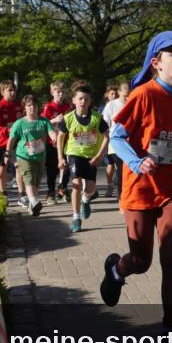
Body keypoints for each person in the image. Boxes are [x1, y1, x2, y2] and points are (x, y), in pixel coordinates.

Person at [99, 31, 172, 330]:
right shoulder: (144, 95)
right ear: (157, 62)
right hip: (140, 187)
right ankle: (116, 271)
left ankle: (171, 331)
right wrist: (137, 162)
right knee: (141, 262)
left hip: (171, 187)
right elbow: (117, 136)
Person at [58, 80, 109, 233]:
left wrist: (100, 154)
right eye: (80, 98)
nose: (83, 102)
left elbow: (107, 136)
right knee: (76, 184)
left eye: (86, 99)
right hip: (74, 154)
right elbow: (60, 138)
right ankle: (75, 217)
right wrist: (60, 158)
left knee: (91, 188)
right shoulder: (68, 119)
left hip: (91, 157)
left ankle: (86, 200)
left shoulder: (97, 118)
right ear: (74, 100)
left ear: (90, 101)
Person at [7, 95, 55, 217]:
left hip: (39, 156)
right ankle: (33, 201)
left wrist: (55, 138)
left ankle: (32, 205)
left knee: (36, 182)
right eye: (29, 105)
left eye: (34, 105)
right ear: (25, 108)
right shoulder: (20, 123)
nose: (32, 107)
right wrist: (7, 153)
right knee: (28, 179)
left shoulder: (44, 121)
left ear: (38, 107)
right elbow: (11, 139)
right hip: (24, 156)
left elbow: (51, 133)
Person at [0, 80, 24, 198]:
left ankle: (21, 194)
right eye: (10, 90)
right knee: (2, 169)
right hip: (1, 143)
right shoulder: (0, 107)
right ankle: (3, 194)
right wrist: (8, 130)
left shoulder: (18, 106)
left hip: (16, 142)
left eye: (14, 90)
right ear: (2, 92)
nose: (13, 92)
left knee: (19, 166)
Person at [42, 81, 73, 205]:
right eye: (58, 92)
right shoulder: (48, 107)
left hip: (66, 141)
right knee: (52, 169)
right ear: (52, 93)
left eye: (63, 92)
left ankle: (63, 188)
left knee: (66, 166)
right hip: (52, 142)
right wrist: (55, 119)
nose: (61, 95)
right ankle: (50, 193)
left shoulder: (68, 106)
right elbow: (43, 123)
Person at [101, 82, 130, 199]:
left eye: (129, 95)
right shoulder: (111, 105)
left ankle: (125, 192)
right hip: (115, 140)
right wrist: (105, 140)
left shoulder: (131, 103)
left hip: (129, 140)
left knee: (126, 167)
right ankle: (121, 194)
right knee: (119, 166)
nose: (127, 98)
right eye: (125, 96)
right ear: (119, 93)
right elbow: (105, 123)